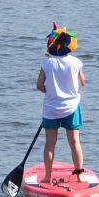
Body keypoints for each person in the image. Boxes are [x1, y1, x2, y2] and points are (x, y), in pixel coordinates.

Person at [37, 26, 88, 180]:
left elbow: (39, 85)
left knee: (50, 144)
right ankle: (79, 175)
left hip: (51, 108)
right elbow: (82, 82)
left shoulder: (47, 63)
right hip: (71, 108)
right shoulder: (76, 62)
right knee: (74, 142)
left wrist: (52, 92)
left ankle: (47, 176)